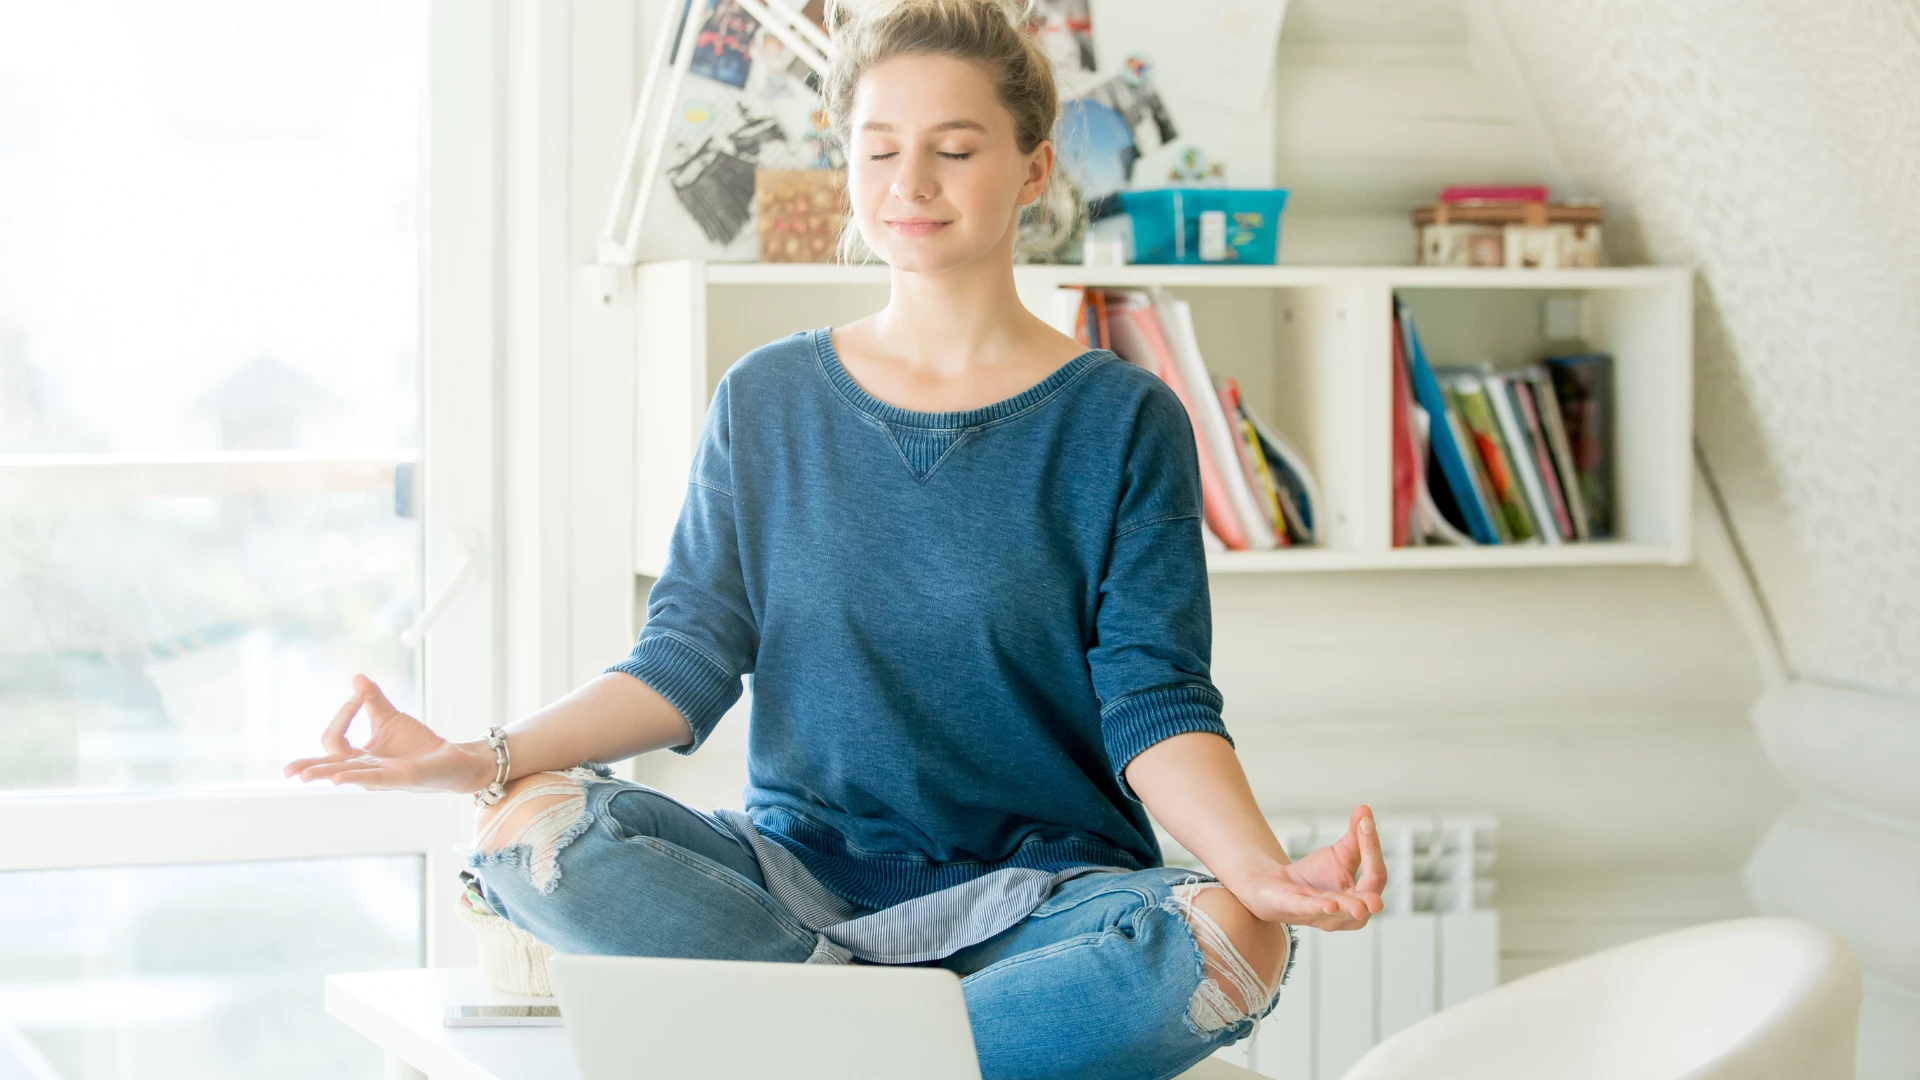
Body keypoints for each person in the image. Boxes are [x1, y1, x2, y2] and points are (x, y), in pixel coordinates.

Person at [285, 1, 1385, 1076]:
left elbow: (1156, 702)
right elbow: (684, 661)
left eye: (955, 149)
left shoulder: (1120, 419)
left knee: (1235, 941)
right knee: (526, 833)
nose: (911, 184)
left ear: (1035, 170)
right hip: (798, 879)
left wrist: (1261, 872)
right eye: (879, 150)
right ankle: (891, 1036)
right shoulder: (765, 399)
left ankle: (816, 1043)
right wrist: (477, 759)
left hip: (1043, 896)